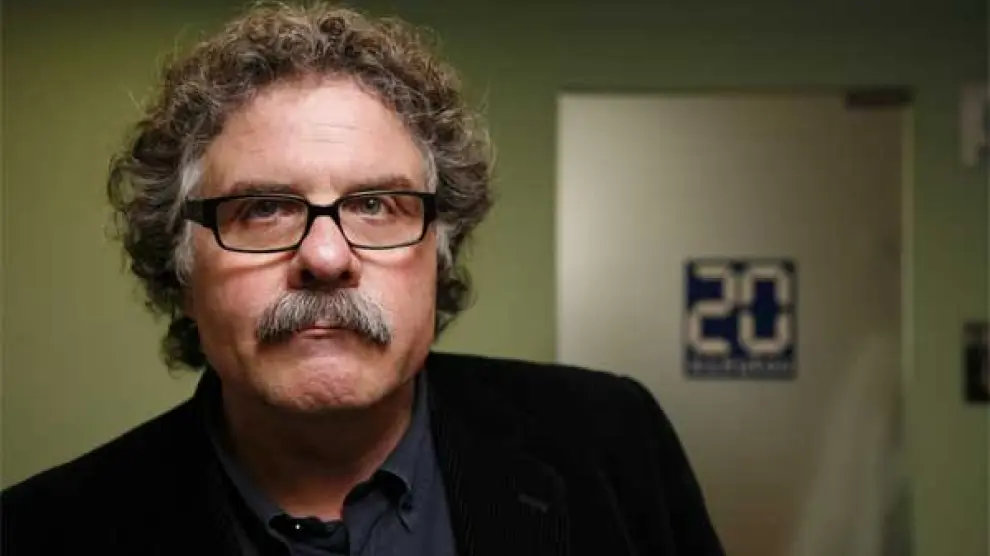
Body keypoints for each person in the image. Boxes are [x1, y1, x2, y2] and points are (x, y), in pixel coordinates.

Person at [1, 3, 724, 555]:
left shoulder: (612, 445)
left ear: (440, 253)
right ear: (183, 271)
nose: (325, 257)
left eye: (376, 205)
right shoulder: (40, 533)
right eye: (264, 209)